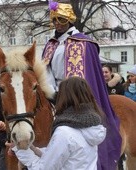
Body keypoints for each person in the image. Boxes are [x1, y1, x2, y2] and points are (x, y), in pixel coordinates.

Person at [41, 1, 122, 169]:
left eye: (61, 20)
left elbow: (88, 77)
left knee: (82, 125)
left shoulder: (84, 43)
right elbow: (45, 70)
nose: (57, 23)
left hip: (76, 94)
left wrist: (67, 93)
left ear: (70, 20)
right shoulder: (51, 44)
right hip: (53, 92)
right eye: (55, 20)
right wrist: (50, 91)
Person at [12, 77, 106, 170]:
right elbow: (70, 156)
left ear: (64, 97)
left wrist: (21, 150)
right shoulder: (92, 126)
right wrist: (33, 149)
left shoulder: (64, 132)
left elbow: (43, 168)